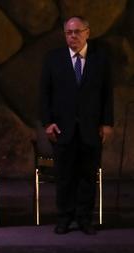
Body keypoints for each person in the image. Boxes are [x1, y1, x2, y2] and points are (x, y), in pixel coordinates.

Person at [40, 16, 113, 235]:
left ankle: (84, 218)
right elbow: (45, 94)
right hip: (63, 129)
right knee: (64, 176)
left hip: (91, 129)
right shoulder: (53, 59)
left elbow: (107, 94)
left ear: (87, 32)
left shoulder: (100, 59)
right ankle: (64, 217)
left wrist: (107, 123)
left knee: (87, 176)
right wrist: (48, 122)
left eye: (77, 31)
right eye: (69, 32)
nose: (73, 36)